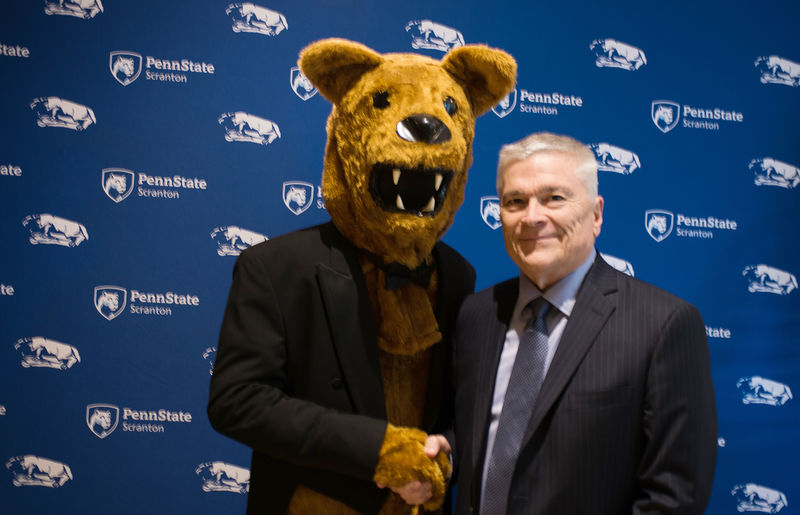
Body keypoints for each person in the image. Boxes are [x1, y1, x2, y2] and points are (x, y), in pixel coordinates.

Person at [445, 132, 718, 514]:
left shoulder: (663, 324)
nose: (532, 216)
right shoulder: (476, 314)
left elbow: (674, 497)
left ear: (596, 214)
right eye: (515, 201)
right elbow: (478, 437)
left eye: (554, 198)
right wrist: (447, 455)